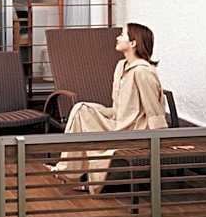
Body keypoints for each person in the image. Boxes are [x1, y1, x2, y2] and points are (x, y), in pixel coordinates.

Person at [50, 23, 168, 193]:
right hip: (117, 120)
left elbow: (154, 111)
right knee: (81, 109)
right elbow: (117, 107)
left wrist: (167, 140)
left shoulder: (143, 72)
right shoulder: (121, 66)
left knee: (85, 116)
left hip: (133, 131)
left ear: (133, 43)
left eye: (122, 34)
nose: (118, 37)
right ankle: (68, 171)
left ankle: (72, 174)